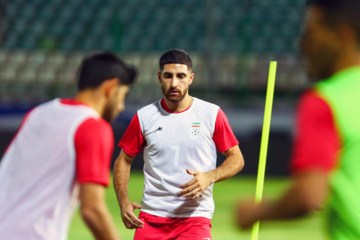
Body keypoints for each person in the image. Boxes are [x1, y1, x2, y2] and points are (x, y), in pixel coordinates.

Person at [236, 0, 360, 239]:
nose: (303, 45)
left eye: (311, 33)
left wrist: (255, 213)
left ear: (342, 37)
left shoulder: (326, 100)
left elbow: (309, 195)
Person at [0, 51, 137, 240]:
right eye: (123, 95)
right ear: (111, 87)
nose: (121, 106)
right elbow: (92, 210)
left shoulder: (38, 113)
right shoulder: (93, 127)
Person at [113, 49, 244, 240]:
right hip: (151, 219)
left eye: (181, 76)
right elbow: (123, 160)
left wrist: (209, 177)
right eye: (168, 76)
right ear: (159, 77)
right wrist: (123, 201)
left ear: (191, 78)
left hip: (194, 219)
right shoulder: (144, 117)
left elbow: (237, 158)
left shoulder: (211, 114)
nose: (174, 83)